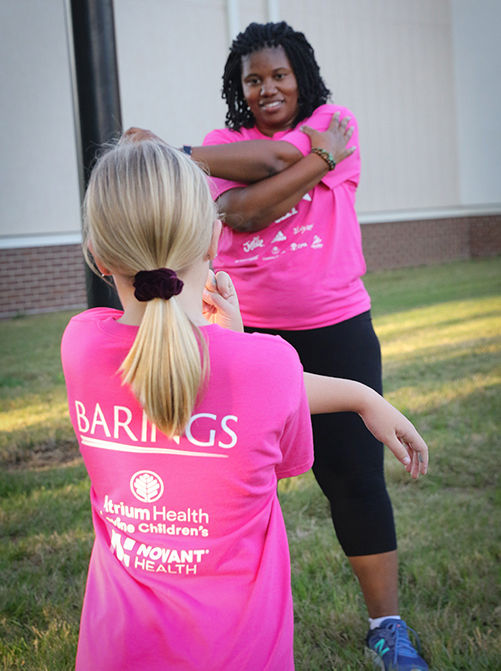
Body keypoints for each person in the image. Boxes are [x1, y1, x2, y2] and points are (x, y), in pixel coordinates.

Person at [61, 138, 428, 670]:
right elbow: (272, 415)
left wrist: (234, 344)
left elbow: (177, 361)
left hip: (117, 649)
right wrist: (362, 395)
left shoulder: (80, 346)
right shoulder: (268, 364)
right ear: (215, 239)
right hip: (238, 652)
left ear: (97, 256)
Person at [180, 20, 429, 670]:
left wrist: (296, 158)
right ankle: (229, 624)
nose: (266, 88)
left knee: (352, 476)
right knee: (236, 482)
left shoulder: (335, 117)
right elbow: (243, 213)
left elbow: (271, 168)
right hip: (247, 333)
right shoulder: (221, 143)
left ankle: (385, 626)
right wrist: (316, 158)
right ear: (239, 90)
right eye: (252, 80)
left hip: (337, 327)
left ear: (301, 75)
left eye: (278, 75)